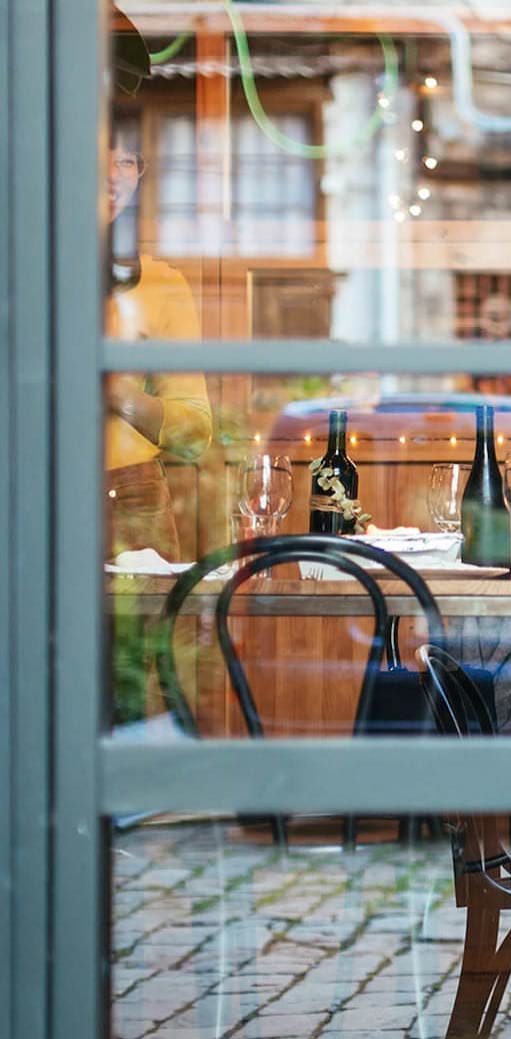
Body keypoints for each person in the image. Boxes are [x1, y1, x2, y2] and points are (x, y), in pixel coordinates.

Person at [106, 22, 213, 724]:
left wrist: (118, 394)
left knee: (144, 674)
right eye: (103, 156)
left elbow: (198, 434)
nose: (117, 174)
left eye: (130, 161)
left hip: (134, 500)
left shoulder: (162, 285)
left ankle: (147, 825)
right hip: (32, 496)